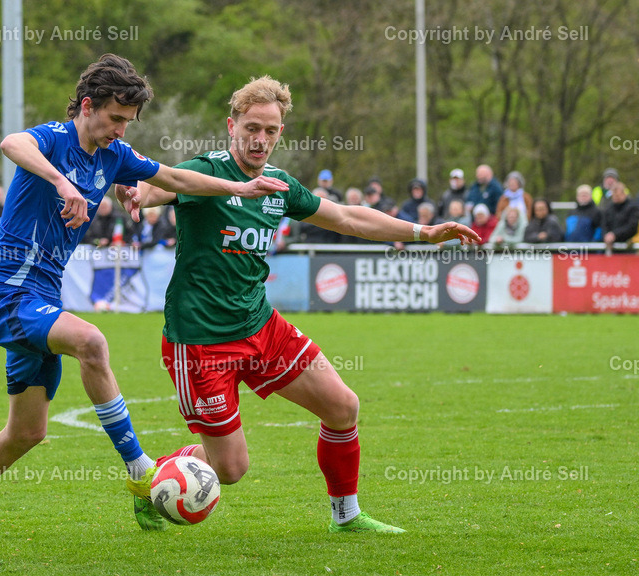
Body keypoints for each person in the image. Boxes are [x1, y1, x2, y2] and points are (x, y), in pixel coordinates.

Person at [0, 54, 290, 554]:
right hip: (7, 294)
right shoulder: (54, 139)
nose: (120, 130)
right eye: (115, 118)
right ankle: (140, 470)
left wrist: (239, 187)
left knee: (26, 431)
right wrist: (61, 181)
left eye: (128, 122)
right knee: (91, 341)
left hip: (42, 297)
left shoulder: (114, 155)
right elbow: (11, 143)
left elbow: (177, 179)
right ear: (87, 105)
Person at [122, 75, 479, 536]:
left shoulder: (279, 186)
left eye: (270, 131)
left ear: (280, 133)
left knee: (342, 407)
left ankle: (346, 516)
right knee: (230, 469)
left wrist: (422, 233)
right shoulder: (205, 172)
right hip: (201, 342)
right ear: (232, 126)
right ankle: (155, 479)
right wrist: (136, 193)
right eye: (252, 128)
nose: (260, 139)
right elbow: (160, 186)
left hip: (261, 326)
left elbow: (347, 217)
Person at [601, 182, 639, 252]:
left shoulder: (633, 207)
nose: (616, 198)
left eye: (618, 195)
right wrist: (606, 235)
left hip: (628, 247)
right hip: (612, 247)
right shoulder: (609, 208)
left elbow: (632, 226)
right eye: (614, 195)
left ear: (624, 194)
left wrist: (615, 235)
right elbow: (604, 224)